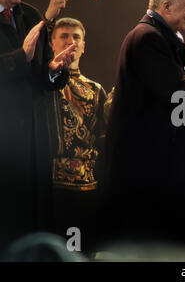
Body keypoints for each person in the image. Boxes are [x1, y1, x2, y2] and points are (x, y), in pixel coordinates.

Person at [104, 0, 185, 253]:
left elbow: (162, 100)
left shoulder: (156, 36)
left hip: (158, 164)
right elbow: (178, 92)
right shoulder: (148, 38)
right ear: (168, 6)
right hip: (150, 170)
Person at [0, 0, 77, 252]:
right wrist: (22, 56)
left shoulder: (32, 16)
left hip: (33, 140)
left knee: (33, 223)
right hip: (4, 144)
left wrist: (55, 69)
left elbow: (44, 77)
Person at [46, 17, 107, 254]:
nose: (70, 42)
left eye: (76, 37)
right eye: (63, 36)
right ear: (52, 43)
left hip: (85, 187)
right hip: (48, 185)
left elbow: (103, 137)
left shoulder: (95, 89)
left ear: (83, 46)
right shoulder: (43, 83)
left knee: (81, 253)